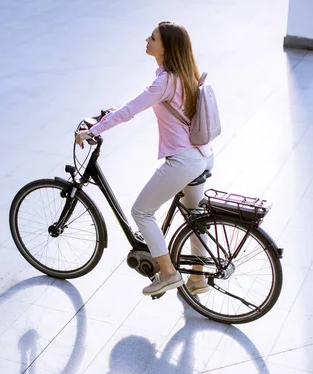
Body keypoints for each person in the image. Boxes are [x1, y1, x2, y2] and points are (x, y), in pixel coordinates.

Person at [75, 21, 214, 296]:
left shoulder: (165, 80)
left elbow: (130, 111)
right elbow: (140, 103)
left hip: (184, 160)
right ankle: (197, 279)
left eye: (153, 38)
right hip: (203, 155)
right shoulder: (184, 73)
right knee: (195, 216)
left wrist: (93, 130)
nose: (147, 40)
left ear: (166, 47)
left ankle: (169, 273)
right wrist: (113, 114)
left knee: (141, 212)